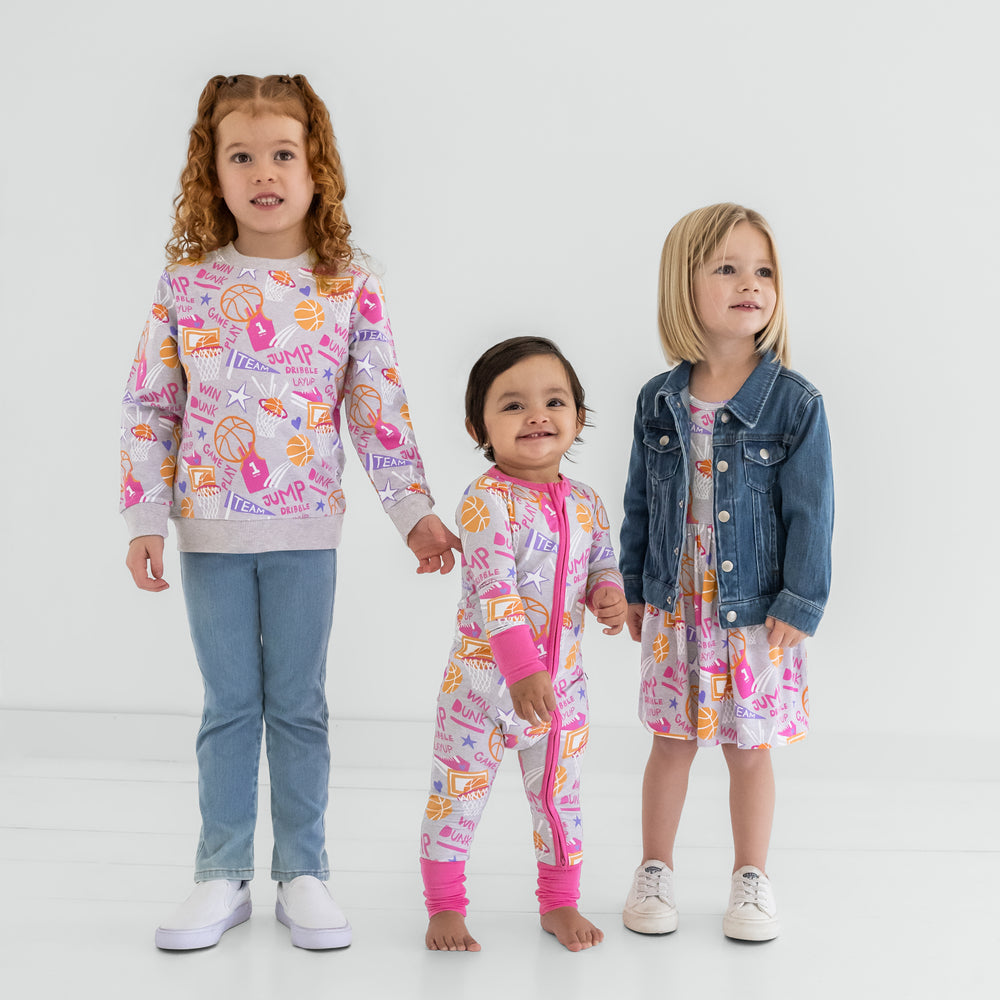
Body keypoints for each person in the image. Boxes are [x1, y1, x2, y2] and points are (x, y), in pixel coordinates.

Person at [120, 74, 459, 951]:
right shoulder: (186, 285)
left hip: (307, 530)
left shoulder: (348, 286)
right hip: (210, 532)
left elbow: (377, 405)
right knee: (230, 705)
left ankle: (303, 869)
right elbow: (151, 404)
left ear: (317, 170)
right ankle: (220, 871)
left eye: (284, 154)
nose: (264, 172)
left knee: (300, 705)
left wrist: (413, 511)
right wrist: (144, 516)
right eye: (242, 156)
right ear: (213, 171)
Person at [619, 203, 833, 942]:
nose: (752, 284)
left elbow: (813, 512)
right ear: (686, 285)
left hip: (754, 613)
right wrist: (634, 585)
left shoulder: (794, 403)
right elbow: (640, 502)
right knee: (670, 744)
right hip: (677, 605)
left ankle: (751, 877)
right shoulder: (659, 400)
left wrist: (800, 602)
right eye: (729, 268)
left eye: (765, 270)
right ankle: (655, 870)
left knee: (750, 749)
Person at [418, 337, 627, 953]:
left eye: (554, 401)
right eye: (512, 405)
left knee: (559, 799)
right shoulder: (486, 501)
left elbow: (601, 567)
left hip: (562, 689)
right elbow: (495, 590)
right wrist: (520, 668)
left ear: (579, 418)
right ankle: (445, 907)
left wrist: (608, 594)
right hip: (482, 689)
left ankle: (560, 902)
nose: (537, 415)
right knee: (457, 792)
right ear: (476, 427)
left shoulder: (587, 503)